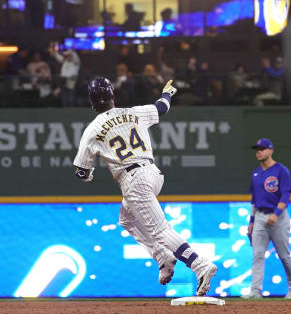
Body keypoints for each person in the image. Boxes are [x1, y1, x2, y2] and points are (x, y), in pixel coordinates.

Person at [73, 77, 217, 295]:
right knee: (126, 219)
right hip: (153, 174)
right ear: (113, 97)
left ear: (92, 103)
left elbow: (82, 171)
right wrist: (167, 93)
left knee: (160, 230)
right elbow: (162, 108)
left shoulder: (92, 130)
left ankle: (200, 265)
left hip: (133, 180)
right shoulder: (134, 112)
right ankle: (163, 257)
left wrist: (86, 175)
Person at [244, 138, 291, 299]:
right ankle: (255, 291)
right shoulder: (255, 173)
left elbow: (286, 194)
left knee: (284, 255)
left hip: (278, 218)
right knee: (257, 254)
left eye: (262, 149)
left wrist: (276, 213)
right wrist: (251, 222)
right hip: (260, 216)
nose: (259, 151)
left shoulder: (281, 170)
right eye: (257, 149)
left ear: (271, 150)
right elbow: (254, 199)